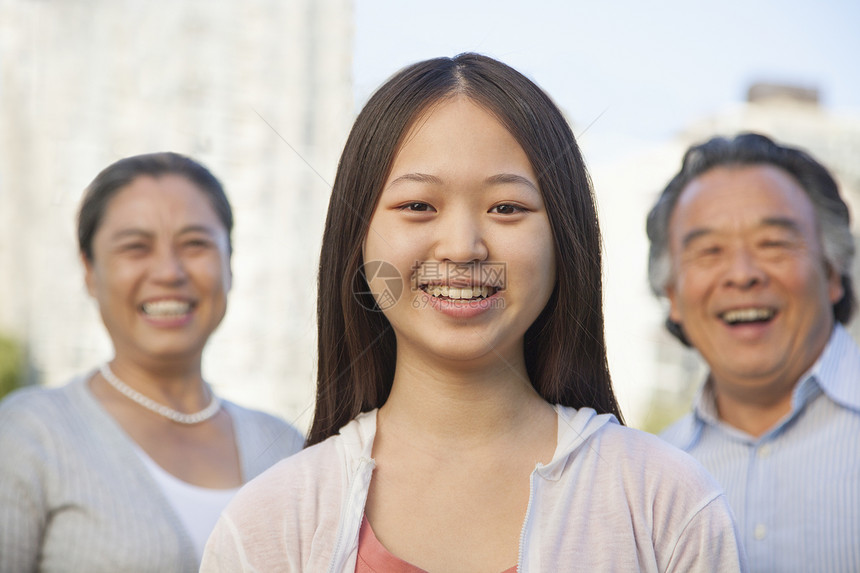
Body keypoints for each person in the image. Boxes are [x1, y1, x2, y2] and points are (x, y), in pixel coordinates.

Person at [201, 53, 746, 572]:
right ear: (358, 238)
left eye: (507, 208)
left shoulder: (665, 505)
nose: (462, 247)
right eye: (418, 206)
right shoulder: (266, 526)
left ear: (565, 240)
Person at [0, 152, 304, 572]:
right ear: (90, 271)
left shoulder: (288, 449)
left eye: (195, 243)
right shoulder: (28, 436)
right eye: (135, 247)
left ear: (229, 264)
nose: (169, 271)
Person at [648, 133, 860, 572]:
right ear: (673, 296)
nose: (742, 275)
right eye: (709, 251)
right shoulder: (644, 475)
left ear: (833, 272)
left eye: (774, 244)